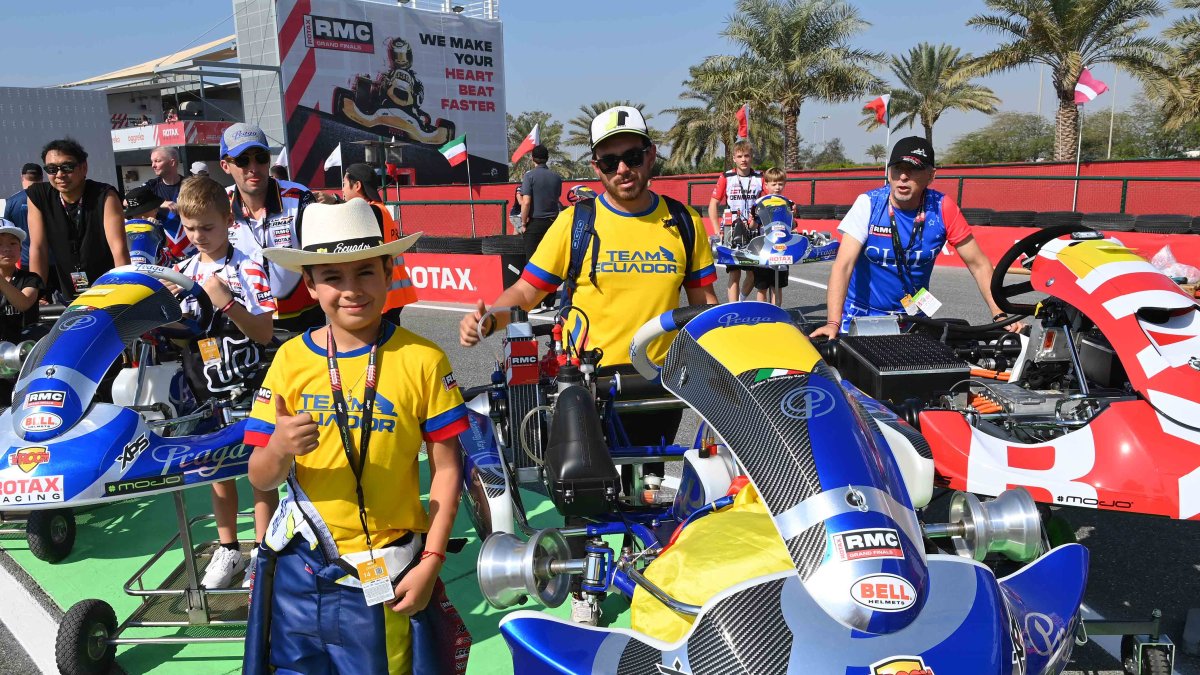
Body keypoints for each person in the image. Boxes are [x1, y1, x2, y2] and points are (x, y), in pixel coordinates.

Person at [459, 106, 718, 623]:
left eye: (633, 156)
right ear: (596, 167)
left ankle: (642, 564)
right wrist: (489, 317)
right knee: (585, 490)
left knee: (645, 482)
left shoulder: (684, 224)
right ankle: (586, 585)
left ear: (651, 158)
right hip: (590, 383)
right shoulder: (575, 222)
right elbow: (527, 291)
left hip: (662, 384)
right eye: (609, 161)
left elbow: (705, 302)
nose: (623, 169)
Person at [244, 199, 467, 674]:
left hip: (386, 571)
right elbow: (260, 478)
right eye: (333, 277)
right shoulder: (289, 361)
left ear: (389, 271)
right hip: (299, 572)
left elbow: (449, 469)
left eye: (365, 272)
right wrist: (280, 448)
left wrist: (431, 562)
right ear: (309, 284)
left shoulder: (423, 359)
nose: (351, 291)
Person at [171, 176, 279, 589]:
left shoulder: (249, 267)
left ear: (228, 219)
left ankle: (263, 553)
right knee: (219, 475)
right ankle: (229, 548)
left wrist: (226, 301)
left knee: (259, 473)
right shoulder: (182, 271)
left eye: (208, 227)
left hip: (250, 386)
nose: (199, 236)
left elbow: (266, 333)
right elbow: (178, 333)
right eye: (190, 227)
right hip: (205, 391)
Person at [810, 137, 1021, 339]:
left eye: (912, 170)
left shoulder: (943, 207)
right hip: (860, 316)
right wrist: (832, 323)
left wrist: (1000, 314)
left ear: (931, 176)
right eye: (898, 169)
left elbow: (979, 265)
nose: (903, 176)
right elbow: (843, 265)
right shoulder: (868, 203)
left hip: (914, 318)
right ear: (888, 173)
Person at [220, 123, 323, 331]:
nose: (253, 168)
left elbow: (319, 254)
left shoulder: (298, 196)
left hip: (302, 317)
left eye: (261, 157)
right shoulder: (220, 202)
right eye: (242, 160)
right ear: (225, 166)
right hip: (246, 318)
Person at [26, 138, 129, 301]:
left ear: (83, 167)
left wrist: (124, 293)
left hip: (109, 290)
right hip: (68, 295)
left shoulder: (104, 195)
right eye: (52, 169)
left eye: (67, 167)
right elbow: (38, 248)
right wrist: (36, 294)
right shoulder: (38, 196)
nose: (59, 174)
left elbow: (119, 248)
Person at [342, 163, 417, 323]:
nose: (342, 190)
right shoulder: (379, 208)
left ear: (357, 185)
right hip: (394, 292)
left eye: (344, 184)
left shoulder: (368, 212)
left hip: (381, 294)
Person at [708, 141, 763, 303]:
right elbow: (713, 204)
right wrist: (717, 230)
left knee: (752, 274)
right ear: (734, 158)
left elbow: (767, 201)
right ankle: (733, 308)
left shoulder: (760, 177)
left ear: (751, 157)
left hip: (754, 229)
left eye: (746, 156)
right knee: (734, 272)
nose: (743, 159)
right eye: (739, 156)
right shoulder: (726, 177)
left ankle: (740, 301)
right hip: (732, 229)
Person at [519, 145, 563, 313]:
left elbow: (526, 202)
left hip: (535, 223)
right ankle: (550, 301)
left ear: (532, 158)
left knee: (533, 263)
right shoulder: (556, 177)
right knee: (552, 261)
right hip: (553, 222)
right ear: (547, 157)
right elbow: (556, 199)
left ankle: (535, 304)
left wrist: (523, 223)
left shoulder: (529, 176)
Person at [750, 167, 794, 306]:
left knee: (777, 287)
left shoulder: (787, 203)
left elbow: (792, 226)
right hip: (764, 249)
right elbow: (753, 226)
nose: (777, 187)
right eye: (774, 184)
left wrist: (793, 215)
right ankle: (762, 313)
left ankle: (776, 314)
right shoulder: (760, 203)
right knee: (762, 287)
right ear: (766, 184)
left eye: (780, 184)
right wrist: (752, 220)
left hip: (781, 248)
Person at [3, 163, 43, 267]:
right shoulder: (54, 198)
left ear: (22, 177)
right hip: (55, 260)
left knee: (28, 284)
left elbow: (7, 233)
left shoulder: (11, 201)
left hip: (25, 260)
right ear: (42, 178)